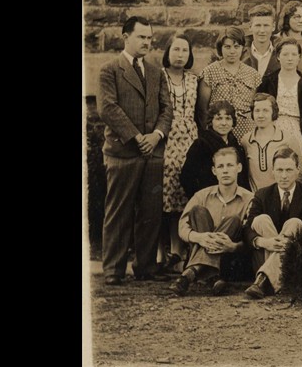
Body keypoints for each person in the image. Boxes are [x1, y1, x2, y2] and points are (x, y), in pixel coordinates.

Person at [99, 16, 173, 285]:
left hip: (152, 152)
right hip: (123, 153)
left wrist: (156, 135)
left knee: (150, 212)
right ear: (125, 36)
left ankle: (145, 267)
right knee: (119, 211)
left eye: (150, 38)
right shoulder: (110, 70)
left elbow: (167, 109)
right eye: (141, 37)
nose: (147, 42)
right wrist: (136, 137)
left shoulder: (156, 72)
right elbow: (108, 109)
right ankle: (113, 270)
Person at [169, 147, 253, 296]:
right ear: (214, 171)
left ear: (239, 168)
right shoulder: (202, 195)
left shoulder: (249, 199)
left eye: (230, 165)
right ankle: (213, 276)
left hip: (230, 260)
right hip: (204, 249)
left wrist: (233, 246)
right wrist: (199, 237)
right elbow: (182, 227)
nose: (225, 171)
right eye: (220, 166)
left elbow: (251, 238)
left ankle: (191, 272)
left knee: (233, 220)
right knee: (198, 211)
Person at [243, 147, 302, 299]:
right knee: (261, 219)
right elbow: (247, 228)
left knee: (295, 223)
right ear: (272, 171)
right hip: (264, 251)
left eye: (288, 170)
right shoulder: (262, 194)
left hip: (295, 253)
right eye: (279, 170)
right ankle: (276, 278)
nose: (284, 175)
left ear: (297, 170)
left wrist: (288, 243)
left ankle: (263, 280)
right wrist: (265, 242)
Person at [159, 32, 200, 272]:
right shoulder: (159, 77)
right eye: (176, 50)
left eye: (184, 50)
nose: (180, 55)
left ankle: (178, 251)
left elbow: (199, 112)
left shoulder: (194, 80)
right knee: (163, 198)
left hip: (188, 142)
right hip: (166, 140)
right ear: (168, 52)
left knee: (183, 196)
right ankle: (158, 253)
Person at [198, 27, 262, 144]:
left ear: (242, 48)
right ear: (220, 48)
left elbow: (254, 107)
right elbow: (203, 109)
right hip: (218, 131)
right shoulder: (209, 72)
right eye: (227, 47)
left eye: (236, 46)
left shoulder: (253, 74)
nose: (232, 51)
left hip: (246, 132)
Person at [257, 37, 302, 157]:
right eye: (285, 54)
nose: (290, 58)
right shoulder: (268, 82)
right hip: (272, 129)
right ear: (278, 56)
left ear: (299, 57)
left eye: (294, 54)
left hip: (298, 132)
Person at [181, 100, 252, 197]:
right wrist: (201, 199)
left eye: (228, 118)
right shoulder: (201, 145)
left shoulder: (237, 147)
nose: (223, 123)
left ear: (233, 122)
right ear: (211, 121)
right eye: (219, 119)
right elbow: (186, 177)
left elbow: (242, 179)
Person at [243, 93, 302, 191]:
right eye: (257, 111)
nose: (260, 115)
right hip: (256, 199)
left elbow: (301, 172)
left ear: (273, 112)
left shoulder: (288, 139)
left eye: (265, 110)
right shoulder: (246, 140)